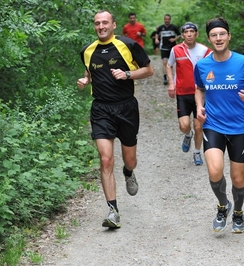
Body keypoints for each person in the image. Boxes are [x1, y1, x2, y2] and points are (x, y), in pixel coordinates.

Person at [76, 10, 154, 228]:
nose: (101, 26)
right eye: (97, 23)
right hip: (101, 109)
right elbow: (89, 74)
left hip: (127, 107)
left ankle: (129, 172)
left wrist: (127, 74)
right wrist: (84, 80)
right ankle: (113, 211)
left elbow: (149, 70)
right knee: (105, 159)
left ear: (113, 25)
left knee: (129, 160)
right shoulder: (87, 50)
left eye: (105, 23)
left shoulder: (128, 45)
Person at [194, 17, 244, 233]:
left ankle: (238, 213)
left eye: (222, 34)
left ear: (229, 36)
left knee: (237, 178)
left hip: (238, 128)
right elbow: (199, 88)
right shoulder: (203, 65)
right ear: (209, 39)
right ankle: (223, 205)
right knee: (215, 171)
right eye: (214, 35)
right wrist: (199, 107)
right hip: (213, 125)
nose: (218, 38)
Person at [166, 22, 212, 165]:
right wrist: (171, 83)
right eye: (186, 32)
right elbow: (169, 65)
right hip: (183, 93)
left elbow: (214, 67)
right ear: (183, 35)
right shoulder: (176, 50)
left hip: (200, 94)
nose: (189, 34)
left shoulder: (205, 51)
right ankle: (187, 135)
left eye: (192, 31)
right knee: (184, 125)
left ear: (197, 34)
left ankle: (197, 152)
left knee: (199, 126)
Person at [155, 14, 181, 85]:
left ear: (170, 20)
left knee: (171, 63)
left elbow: (179, 35)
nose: (167, 20)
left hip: (172, 47)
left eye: (168, 19)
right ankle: (165, 77)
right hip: (163, 47)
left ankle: (171, 77)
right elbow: (157, 34)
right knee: (164, 62)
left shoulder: (173, 27)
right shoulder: (161, 27)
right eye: (165, 19)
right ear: (164, 19)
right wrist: (156, 39)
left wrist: (174, 39)